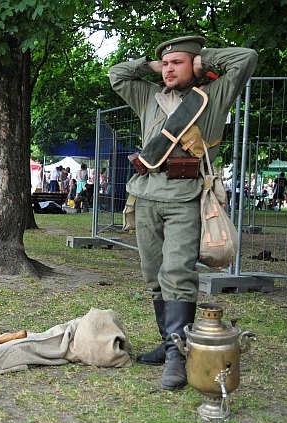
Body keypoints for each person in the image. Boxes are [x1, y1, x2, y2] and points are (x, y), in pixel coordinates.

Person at [109, 35, 257, 390]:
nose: (170, 68)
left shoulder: (213, 97)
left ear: (195, 64)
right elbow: (117, 74)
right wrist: (151, 66)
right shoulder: (149, 95)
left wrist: (205, 60)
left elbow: (245, 57)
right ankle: (168, 343)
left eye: (178, 61)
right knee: (153, 273)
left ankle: (178, 354)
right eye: (166, 63)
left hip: (187, 196)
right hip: (145, 193)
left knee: (177, 271)